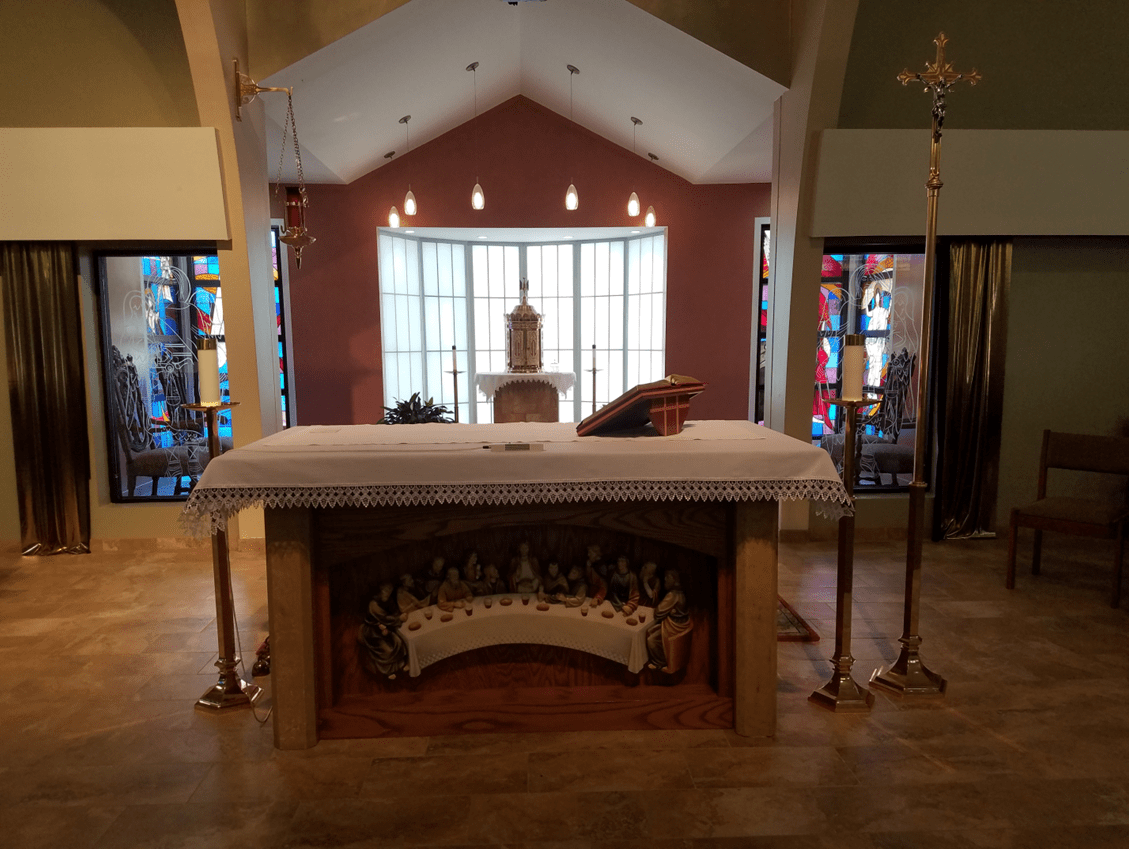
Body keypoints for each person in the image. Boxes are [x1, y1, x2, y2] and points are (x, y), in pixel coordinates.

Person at [645, 568, 693, 674]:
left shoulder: (673, 595)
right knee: (650, 631)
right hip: (677, 624)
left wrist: (667, 611)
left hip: (674, 627)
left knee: (651, 640)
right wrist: (670, 611)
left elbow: (658, 612)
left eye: (668, 577)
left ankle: (660, 664)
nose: (665, 579)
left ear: (674, 579)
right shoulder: (680, 592)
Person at [357, 582, 409, 679]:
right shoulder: (373, 604)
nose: (387, 593)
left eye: (389, 591)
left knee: (398, 641)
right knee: (387, 650)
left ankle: (399, 665)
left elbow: (394, 611)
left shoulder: (388, 600)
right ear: (380, 590)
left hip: (387, 628)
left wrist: (399, 616)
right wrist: (399, 619)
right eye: (386, 591)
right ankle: (388, 671)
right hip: (373, 631)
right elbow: (383, 618)